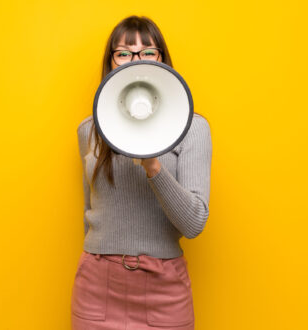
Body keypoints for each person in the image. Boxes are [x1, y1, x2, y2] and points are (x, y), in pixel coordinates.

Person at [71, 15, 212, 330]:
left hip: (164, 289)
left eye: (147, 53)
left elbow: (194, 223)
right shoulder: (88, 131)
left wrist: (153, 165)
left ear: (162, 59)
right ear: (111, 63)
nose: (135, 61)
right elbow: (90, 213)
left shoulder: (193, 129)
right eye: (124, 52)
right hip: (97, 287)